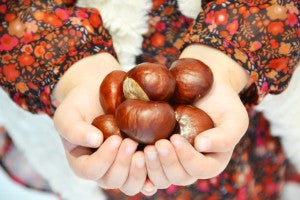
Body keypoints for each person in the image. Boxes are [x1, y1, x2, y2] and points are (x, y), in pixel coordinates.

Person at [0, 0, 299, 199]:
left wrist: (225, 61)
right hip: (75, 50)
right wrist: (72, 70)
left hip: (232, 79)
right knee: (120, 172)